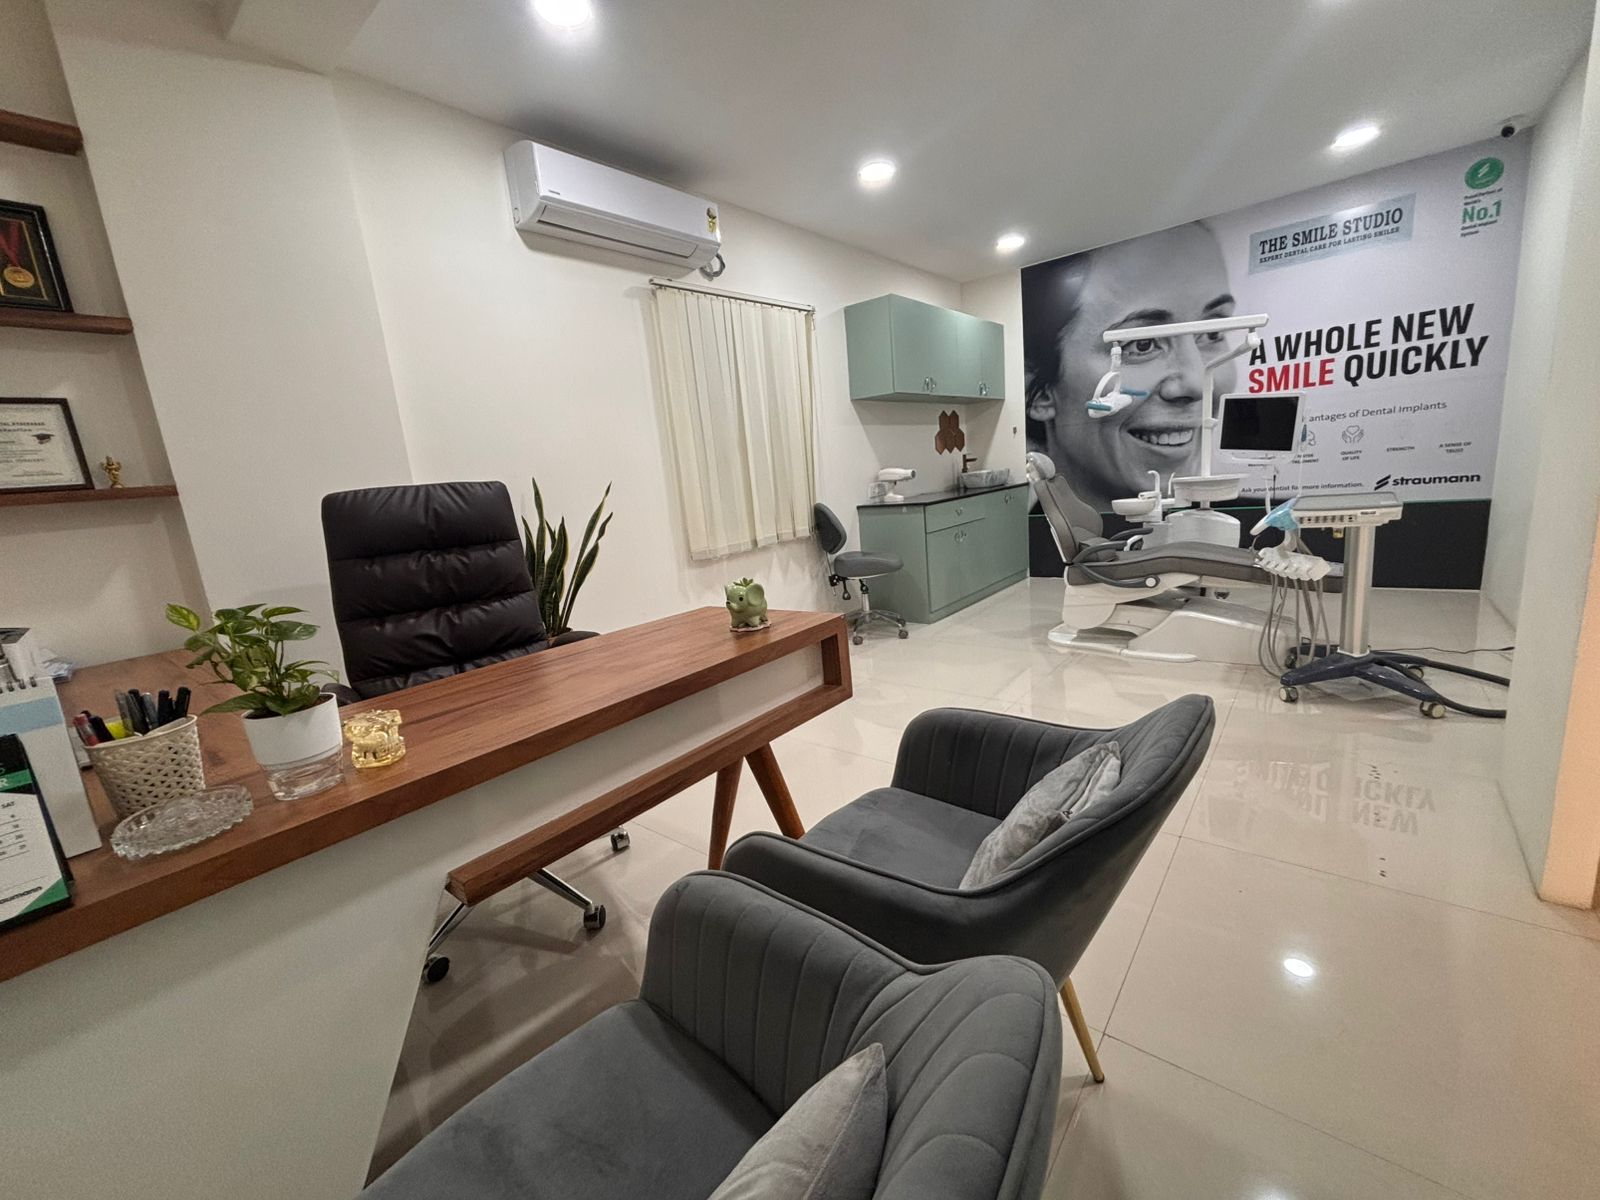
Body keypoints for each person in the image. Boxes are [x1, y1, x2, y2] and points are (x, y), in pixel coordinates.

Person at [1022, 222, 1240, 513]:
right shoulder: (1032, 539)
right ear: (1038, 391)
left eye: (1212, 334)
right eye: (1142, 344)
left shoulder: (1253, 524)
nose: (1196, 383)